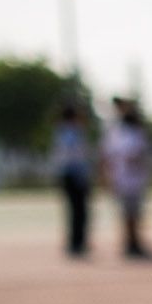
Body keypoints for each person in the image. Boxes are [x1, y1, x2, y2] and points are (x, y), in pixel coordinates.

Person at [102, 96, 152, 260]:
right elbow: (135, 156)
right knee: (131, 214)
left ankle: (132, 242)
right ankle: (131, 243)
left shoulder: (116, 133)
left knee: (130, 214)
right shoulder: (129, 134)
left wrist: (107, 177)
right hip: (130, 180)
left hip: (125, 180)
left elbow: (107, 157)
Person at [51, 101, 96, 257]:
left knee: (75, 210)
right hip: (74, 174)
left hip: (69, 174)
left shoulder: (62, 131)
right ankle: (77, 242)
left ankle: (76, 242)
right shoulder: (73, 132)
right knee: (79, 210)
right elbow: (76, 156)